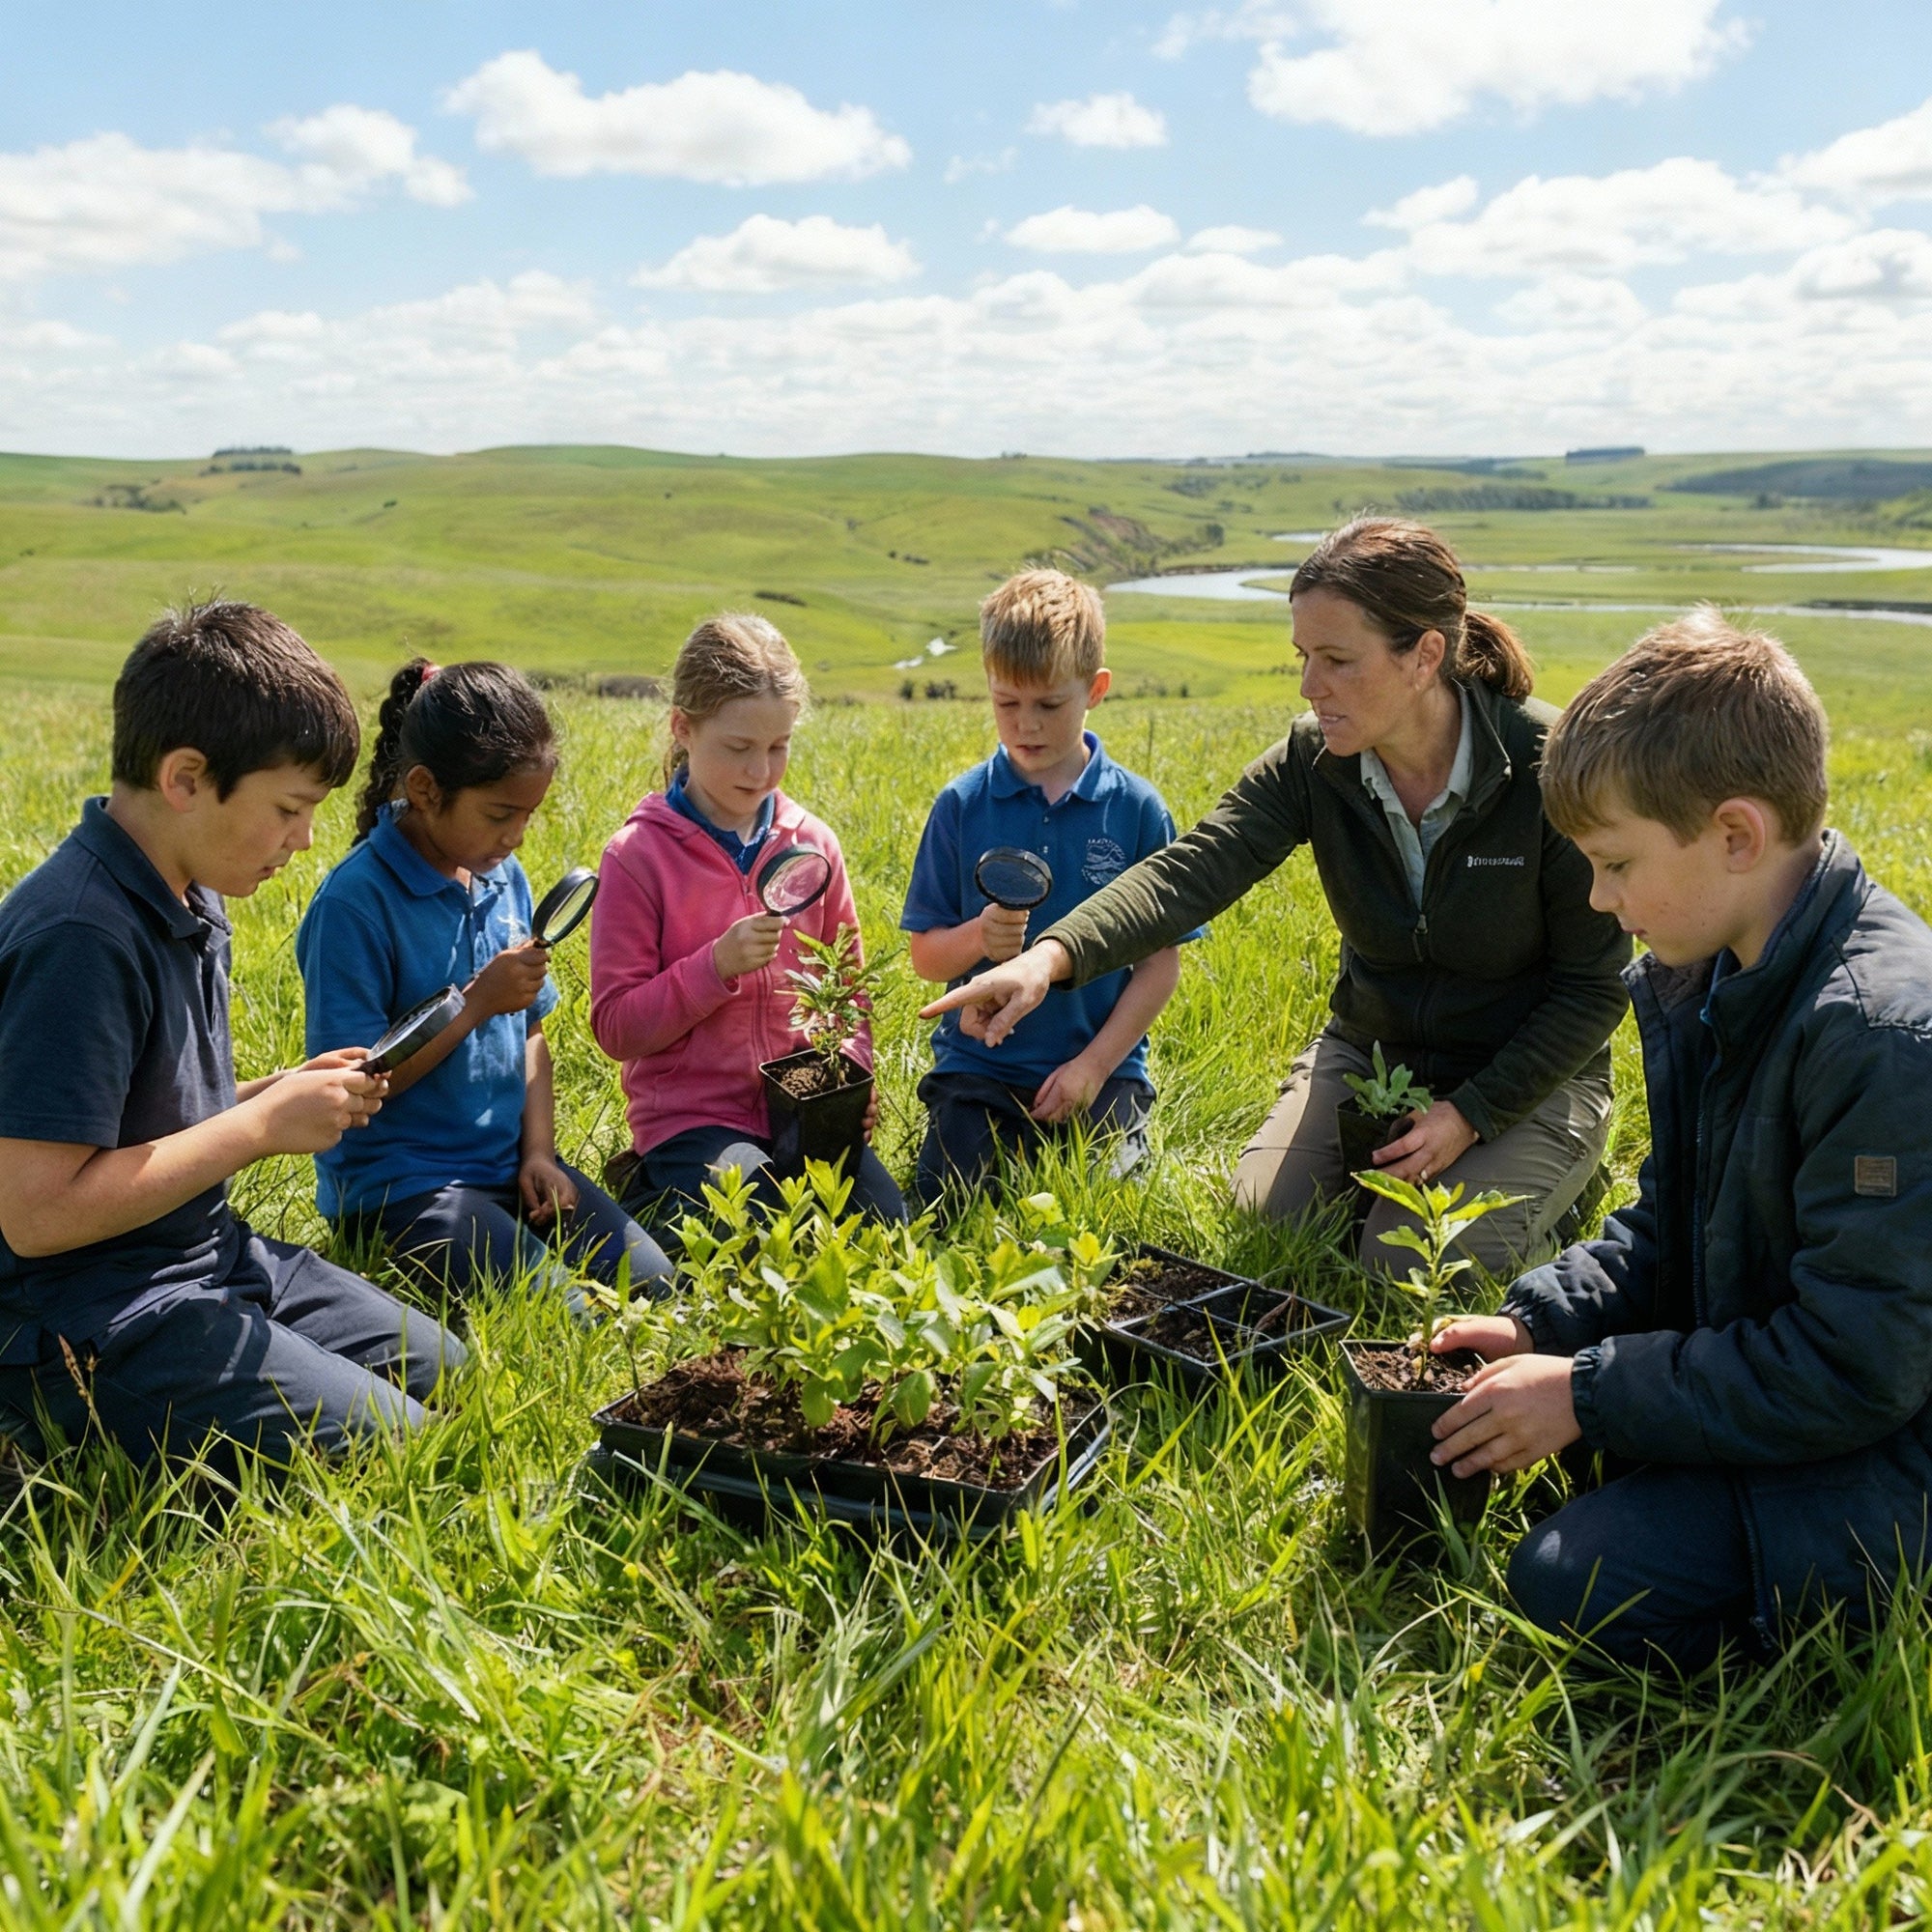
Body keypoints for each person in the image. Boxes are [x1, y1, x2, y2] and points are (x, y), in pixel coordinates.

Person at [1427, 611, 1932, 1671]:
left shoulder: (1877, 1038)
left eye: (1615, 863)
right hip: (1795, 1387)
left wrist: (1588, 1391)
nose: (1599, 900)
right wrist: (1540, 1324)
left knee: (1566, 1579)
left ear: (1735, 834)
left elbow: (1856, 1365)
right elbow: (1672, 1221)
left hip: (1893, 1446)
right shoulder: (1721, 966)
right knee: (1529, 1455)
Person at [923, 520, 1630, 1273]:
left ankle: (1556, 1181)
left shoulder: (1546, 768)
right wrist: (1048, 960)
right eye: (1303, 657)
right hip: (1376, 1053)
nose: (1309, 685)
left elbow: (1593, 989)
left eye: (1337, 660)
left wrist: (1471, 1116)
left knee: (1407, 1263)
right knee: (1266, 1222)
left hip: (1529, 1074)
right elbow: (1191, 871)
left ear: (1425, 655)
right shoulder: (1315, 760)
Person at [0, 601, 465, 1472]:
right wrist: (258, 1128)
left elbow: (142, 1126)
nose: (306, 839)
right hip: (89, 1314)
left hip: (205, 1253)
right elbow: (35, 1212)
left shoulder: (190, 890)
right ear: (185, 778)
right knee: (398, 1448)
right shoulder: (79, 937)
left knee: (449, 1372)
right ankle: (32, 1436)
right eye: (289, 807)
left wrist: (277, 1091)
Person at [297, 659, 672, 1305]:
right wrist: (473, 1006)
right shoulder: (354, 904)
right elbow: (350, 1088)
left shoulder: (503, 878)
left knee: (653, 1285)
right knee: (568, 1315)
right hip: (404, 1190)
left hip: (507, 1169)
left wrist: (539, 1154)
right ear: (425, 788)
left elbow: (531, 1032)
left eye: (527, 815)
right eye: (500, 814)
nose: (516, 836)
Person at [591, 614, 907, 1224]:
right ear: (682, 727)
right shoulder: (638, 857)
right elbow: (616, 1028)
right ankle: (651, 1179)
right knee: (761, 1219)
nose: (760, 772)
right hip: (693, 1118)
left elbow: (847, 992)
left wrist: (851, 1073)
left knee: (884, 1225)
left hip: (804, 1109)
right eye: (739, 748)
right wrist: (714, 966)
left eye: (778, 746)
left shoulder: (813, 845)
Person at [901, 569, 1198, 1208]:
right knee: (948, 1201)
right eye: (1006, 703)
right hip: (981, 1067)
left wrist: (1093, 1067)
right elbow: (926, 958)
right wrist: (978, 938)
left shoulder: (1137, 811)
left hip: (1103, 1067)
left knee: (1112, 1208)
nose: (1025, 725)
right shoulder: (962, 805)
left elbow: (1159, 966)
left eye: (1049, 705)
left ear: (1096, 690)